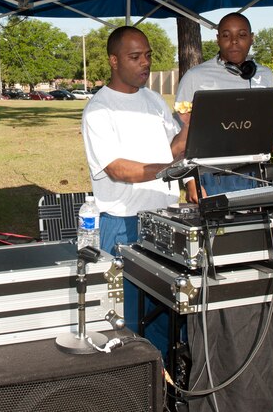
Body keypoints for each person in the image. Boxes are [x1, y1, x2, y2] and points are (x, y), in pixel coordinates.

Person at [81, 26, 187, 351]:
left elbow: (171, 150)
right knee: (130, 322)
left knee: (169, 314)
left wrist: (196, 128)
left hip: (165, 221)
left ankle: (173, 386)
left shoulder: (154, 99)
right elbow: (117, 169)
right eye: (135, 56)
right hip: (125, 227)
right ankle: (139, 389)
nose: (145, 63)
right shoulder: (99, 110)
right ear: (114, 60)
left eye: (148, 56)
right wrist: (169, 170)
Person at [175, 12, 273, 202]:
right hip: (210, 178)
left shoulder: (265, 75)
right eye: (227, 35)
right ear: (218, 39)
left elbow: (265, 125)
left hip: (255, 175)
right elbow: (181, 136)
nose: (234, 41)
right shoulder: (195, 77)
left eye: (242, 35)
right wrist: (190, 181)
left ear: (252, 38)